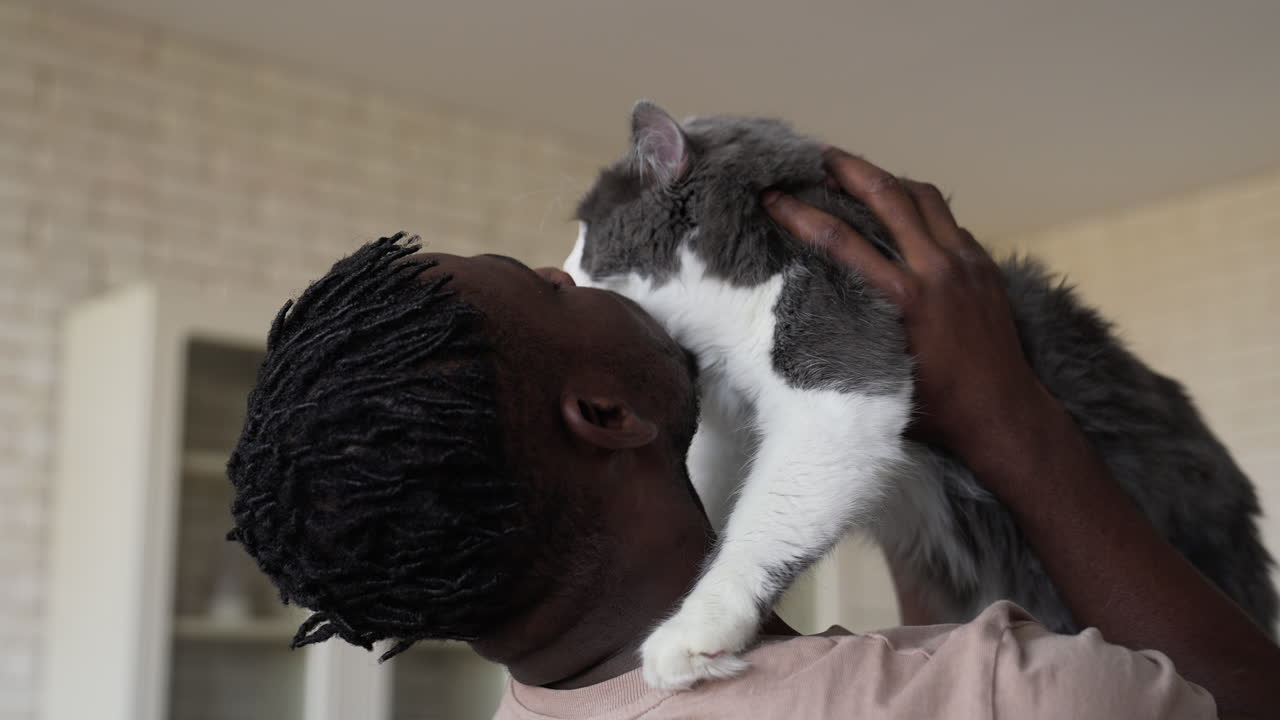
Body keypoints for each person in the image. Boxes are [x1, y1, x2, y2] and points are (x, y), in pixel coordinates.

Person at [226, 149, 1280, 719]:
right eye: (541, 288)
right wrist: (1012, 425)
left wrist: (911, 435)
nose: (565, 270)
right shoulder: (1020, 698)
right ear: (605, 413)